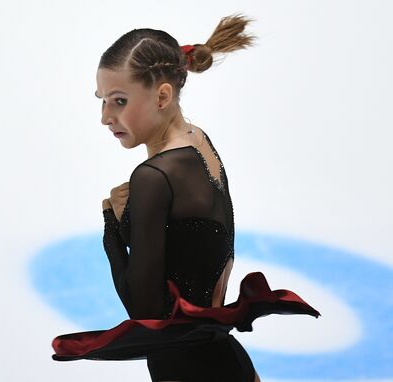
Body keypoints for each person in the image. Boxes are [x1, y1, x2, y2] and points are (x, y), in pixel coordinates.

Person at [52, 14, 320, 382]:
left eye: (119, 100)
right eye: (101, 101)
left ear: (162, 95)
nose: (105, 117)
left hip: (187, 368)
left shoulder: (153, 177)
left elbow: (146, 314)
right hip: (224, 359)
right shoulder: (197, 142)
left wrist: (113, 233)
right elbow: (194, 249)